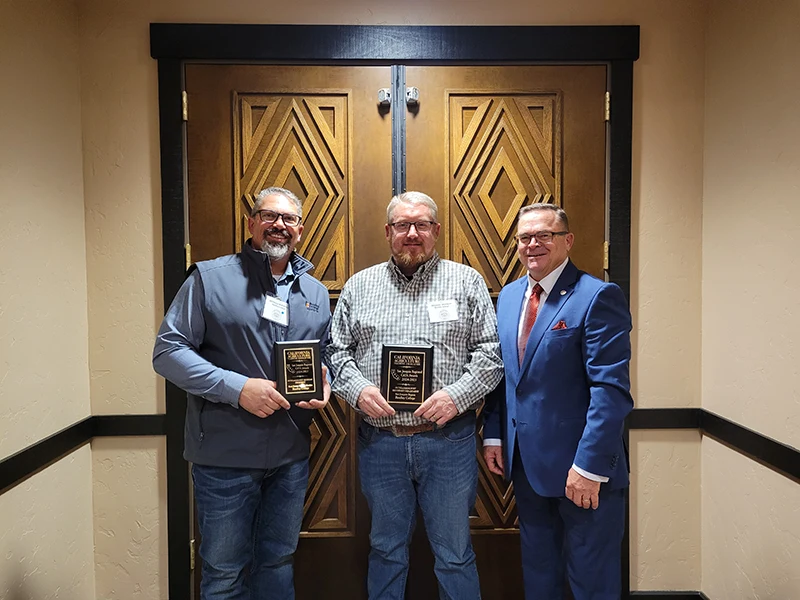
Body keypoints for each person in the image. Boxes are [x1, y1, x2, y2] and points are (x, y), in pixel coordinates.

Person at [153, 187, 331, 600]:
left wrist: (327, 382)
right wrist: (238, 389)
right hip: (224, 460)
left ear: (300, 230)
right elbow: (168, 352)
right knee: (224, 574)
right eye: (269, 215)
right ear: (251, 223)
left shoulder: (316, 293)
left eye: (289, 219)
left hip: (289, 458)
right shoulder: (209, 278)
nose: (279, 225)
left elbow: (330, 355)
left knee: (277, 563)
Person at [326, 191, 503, 600]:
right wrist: (358, 389)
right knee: (385, 550)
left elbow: (491, 355)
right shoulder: (359, 285)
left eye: (422, 225)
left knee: (455, 554)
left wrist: (457, 397)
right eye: (403, 225)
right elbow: (335, 352)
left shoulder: (466, 281)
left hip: (449, 442)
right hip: (380, 443)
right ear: (388, 232)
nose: (412, 233)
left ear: (436, 231)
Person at [482, 203, 633, 600]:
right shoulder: (511, 297)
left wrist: (588, 466)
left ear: (567, 240)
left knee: (591, 583)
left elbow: (611, 391)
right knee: (539, 577)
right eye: (524, 238)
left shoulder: (597, 296)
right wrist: (495, 436)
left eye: (543, 235)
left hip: (582, 471)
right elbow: (507, 377)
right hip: (526, 468)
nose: (533, 244)